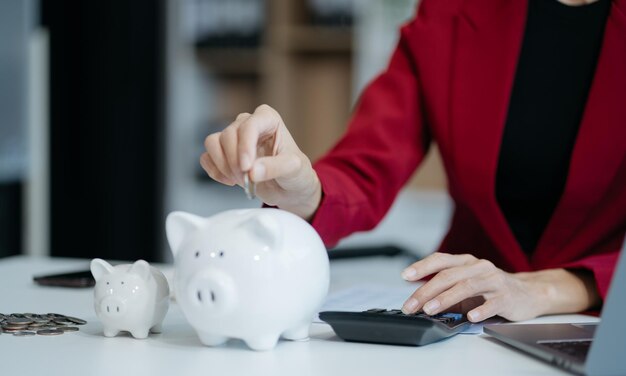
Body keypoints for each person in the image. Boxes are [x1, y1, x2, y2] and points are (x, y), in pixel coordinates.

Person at [200, 0, 625, 323]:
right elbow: (368, 164)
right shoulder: (451, 12)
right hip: (466, 326)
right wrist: (306, 189)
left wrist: (558, 288)